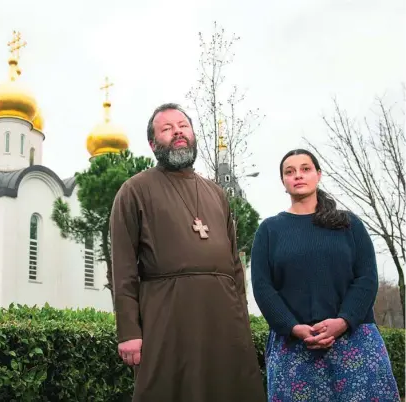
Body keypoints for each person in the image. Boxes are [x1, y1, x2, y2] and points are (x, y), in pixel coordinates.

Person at [110, 103, 266, 401]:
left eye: (183, 125)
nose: (178, 132)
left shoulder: (216, 194)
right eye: (167, 129)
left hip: (224, 319)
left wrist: (241, 318)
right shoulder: (135, 191)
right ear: (153, 143)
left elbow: (235, 265)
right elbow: (124, 268)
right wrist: (129, 331)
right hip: (167, 317)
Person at [251, 148, 400, 401]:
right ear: (283, 182)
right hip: (294, 349)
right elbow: (263, 287)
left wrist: (343, 321)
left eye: (305, 169)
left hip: (355, 342)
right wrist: (293, 327)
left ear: (318, 175)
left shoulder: (349, 224)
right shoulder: (269, 230)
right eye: (290, 171)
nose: (298, 175)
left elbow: (366, 279)